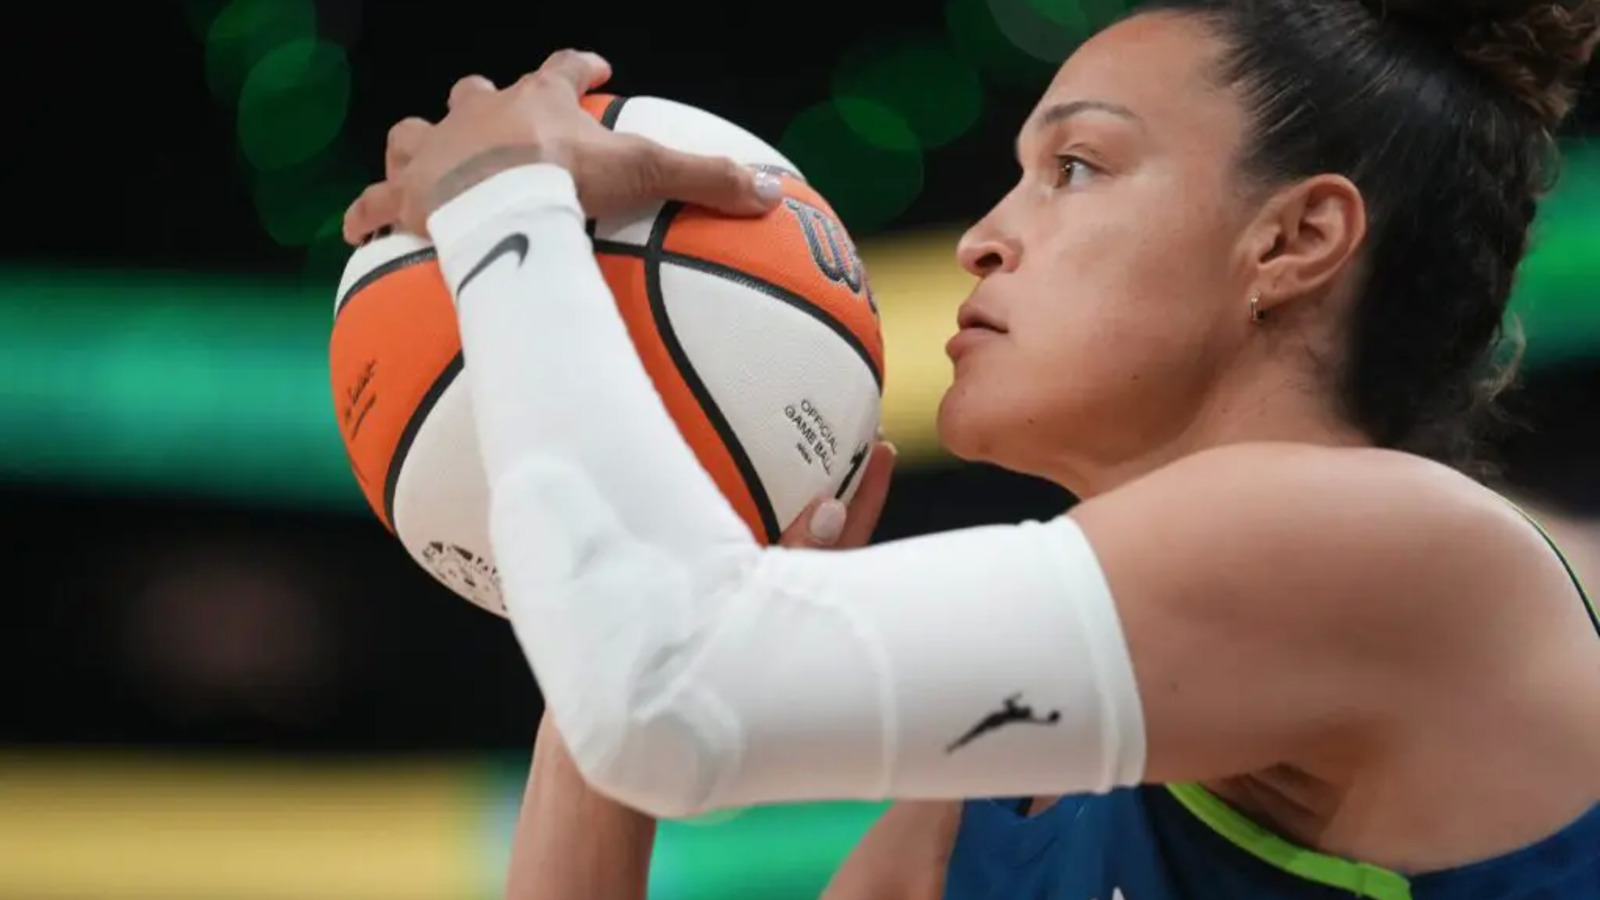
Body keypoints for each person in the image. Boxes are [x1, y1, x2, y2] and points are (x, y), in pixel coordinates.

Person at [342, 0, 1600, 897]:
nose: (982, 238)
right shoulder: (994, 794)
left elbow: (670, 705)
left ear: (1294, 240)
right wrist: (645, 575)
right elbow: (654, 704)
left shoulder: (1393, 548)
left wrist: (508, 213)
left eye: (1076, 167)